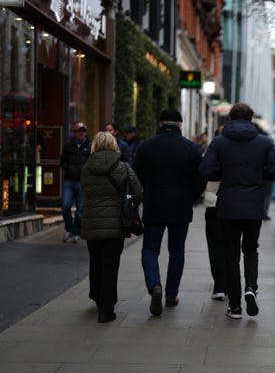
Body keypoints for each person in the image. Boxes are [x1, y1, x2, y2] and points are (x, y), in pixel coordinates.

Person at [199, 103, 275, 319]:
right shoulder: (264, 142)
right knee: (251, 249)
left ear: (230, 119)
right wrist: (257, 173)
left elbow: (205, 171)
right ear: (251, 118)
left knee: (231, 254)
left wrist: (225, 172)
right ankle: (251, 288)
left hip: (227, 205)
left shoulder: (219, 142)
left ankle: (235, 306)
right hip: (253, 204)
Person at [133, 108, 204, 317]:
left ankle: (155, 285)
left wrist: (145, 196)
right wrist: (190, 198)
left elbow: (135, 176)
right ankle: (171, 295)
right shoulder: (191, 148)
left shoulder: (146, 147)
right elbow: (200, 178)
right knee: (177, 251)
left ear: (160, 123)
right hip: (180, 207)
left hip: (154, 205)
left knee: (150, 249)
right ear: (180, 125)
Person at [80, 132, 143, 323]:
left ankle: (98, 297)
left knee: (96, 261)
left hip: (92, 223)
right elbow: (138, 192)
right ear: (114, 144)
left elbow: (85, 189)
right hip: (116, 225)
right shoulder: (124, 167)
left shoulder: (86, 168)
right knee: (110, 265)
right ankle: (107, 310)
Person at [60, 121, 92, 243]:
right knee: (65, 205)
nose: (81, 133)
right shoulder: (68, 146)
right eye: (79, 131)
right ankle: (70, 229)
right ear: (75, 132)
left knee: (80, 210)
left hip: (82, 182)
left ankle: (77, 231)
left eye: (83, 131)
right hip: (69, 181)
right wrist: (69, 168)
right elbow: (62, 161)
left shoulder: (90, 146)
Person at [204, 128, 226, 301]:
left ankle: (220, 284)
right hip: (232, 204)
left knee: (216, 246)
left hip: (214, 203)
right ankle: (224, 283)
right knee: (229, 246)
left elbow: (202, 173)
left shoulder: (211, 153)